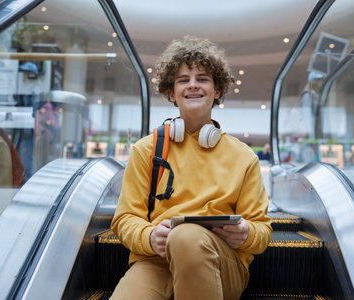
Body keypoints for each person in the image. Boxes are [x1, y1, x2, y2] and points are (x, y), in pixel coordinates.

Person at [110, 36, 272, 300]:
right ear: (172, 93)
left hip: (222, 264)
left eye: (203, 79)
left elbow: (262, 230)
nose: (193, 85)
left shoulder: (243, 157)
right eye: (183, 80)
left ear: (217, 90)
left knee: (186, 237)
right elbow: (125, 218)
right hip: (157, 260)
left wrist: (246, 234)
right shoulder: (146, 149)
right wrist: (149, 237)